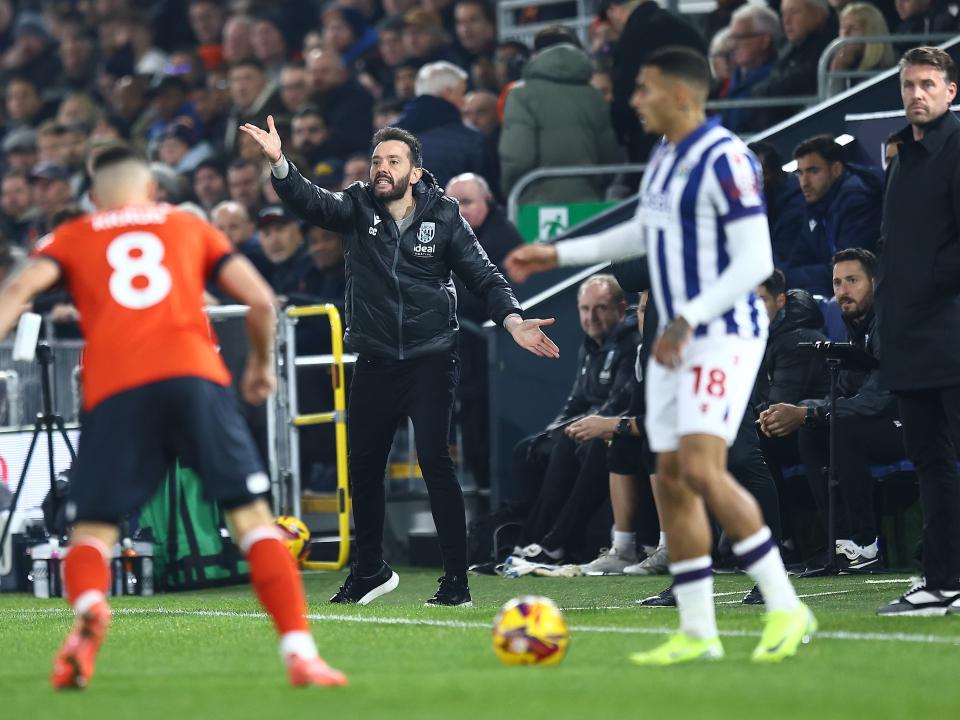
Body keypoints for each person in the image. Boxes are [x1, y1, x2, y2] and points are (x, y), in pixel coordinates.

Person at [505, 46, 814, 664]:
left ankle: (785, 604)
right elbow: (644, 233)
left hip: (722, 331)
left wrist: (689, 318)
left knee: (701, 468)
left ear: (679, 93)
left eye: (644, 87)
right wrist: (561, 254)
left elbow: (755, 261)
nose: (634, 99)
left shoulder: (726, 157)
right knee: (670, 475)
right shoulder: (666, 158)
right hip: (676, 333)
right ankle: (697, 631)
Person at [0, 144, 346, 689]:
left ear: (94, 197)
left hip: (115, 388)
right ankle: (301, 654)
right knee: (253, 521)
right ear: (152, 189)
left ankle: (89, 610)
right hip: (193, 378)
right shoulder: (187, 225)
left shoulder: (72, 236)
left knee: (92, 531)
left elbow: (18, 290)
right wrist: (260, 366)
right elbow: (260, 301)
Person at [240, 118, 559, 607]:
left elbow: (485, 276)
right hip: (375, 359)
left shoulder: (444, 214)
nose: (381, 169)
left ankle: (456, 582)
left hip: (432, 359)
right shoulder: (356, 204)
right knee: (364, 468)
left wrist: (513, 320)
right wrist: (281, 163)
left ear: (416, 172)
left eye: (393, 161)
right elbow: (311, 203)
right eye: (376, 161)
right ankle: (369, 570)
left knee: (434, 461)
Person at [876, 46, 960, 616]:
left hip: (950, 333)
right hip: (909, 338)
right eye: (909, 85)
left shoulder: (956, 149)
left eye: (928, 84)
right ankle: (943, 581)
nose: (916, 94)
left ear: (951, 91)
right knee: (930, 464)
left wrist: (929, 281)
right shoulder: (903, 155)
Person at [760, 250, 900, 572]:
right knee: (813, 433)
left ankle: (865, 545)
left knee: (843, 428)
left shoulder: (888, 323)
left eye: (852, 281)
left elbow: (877, 399)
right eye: (837, 283)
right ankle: (840, 542)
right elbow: (841, 393)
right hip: (877, 422)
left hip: (908, 421)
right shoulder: (855, 329)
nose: (843, 291)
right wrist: (804, 411)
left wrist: (809, 414)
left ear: (874, 283)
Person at [498, 26, 621, 205]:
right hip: (588, 202)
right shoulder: (594, 96)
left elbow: (518, 158)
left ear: (535, 55)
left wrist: (510, 192)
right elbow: (609, 157)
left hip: (536, 206)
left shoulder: (520, 95)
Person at [785, 134, 883, 295]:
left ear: (836, 169)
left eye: (813, 171)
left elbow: (848, 268)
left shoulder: (856, 201)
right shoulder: (815, 205)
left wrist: (789, 277)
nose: (804, 182)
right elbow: (799, 258)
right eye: (800, 173)